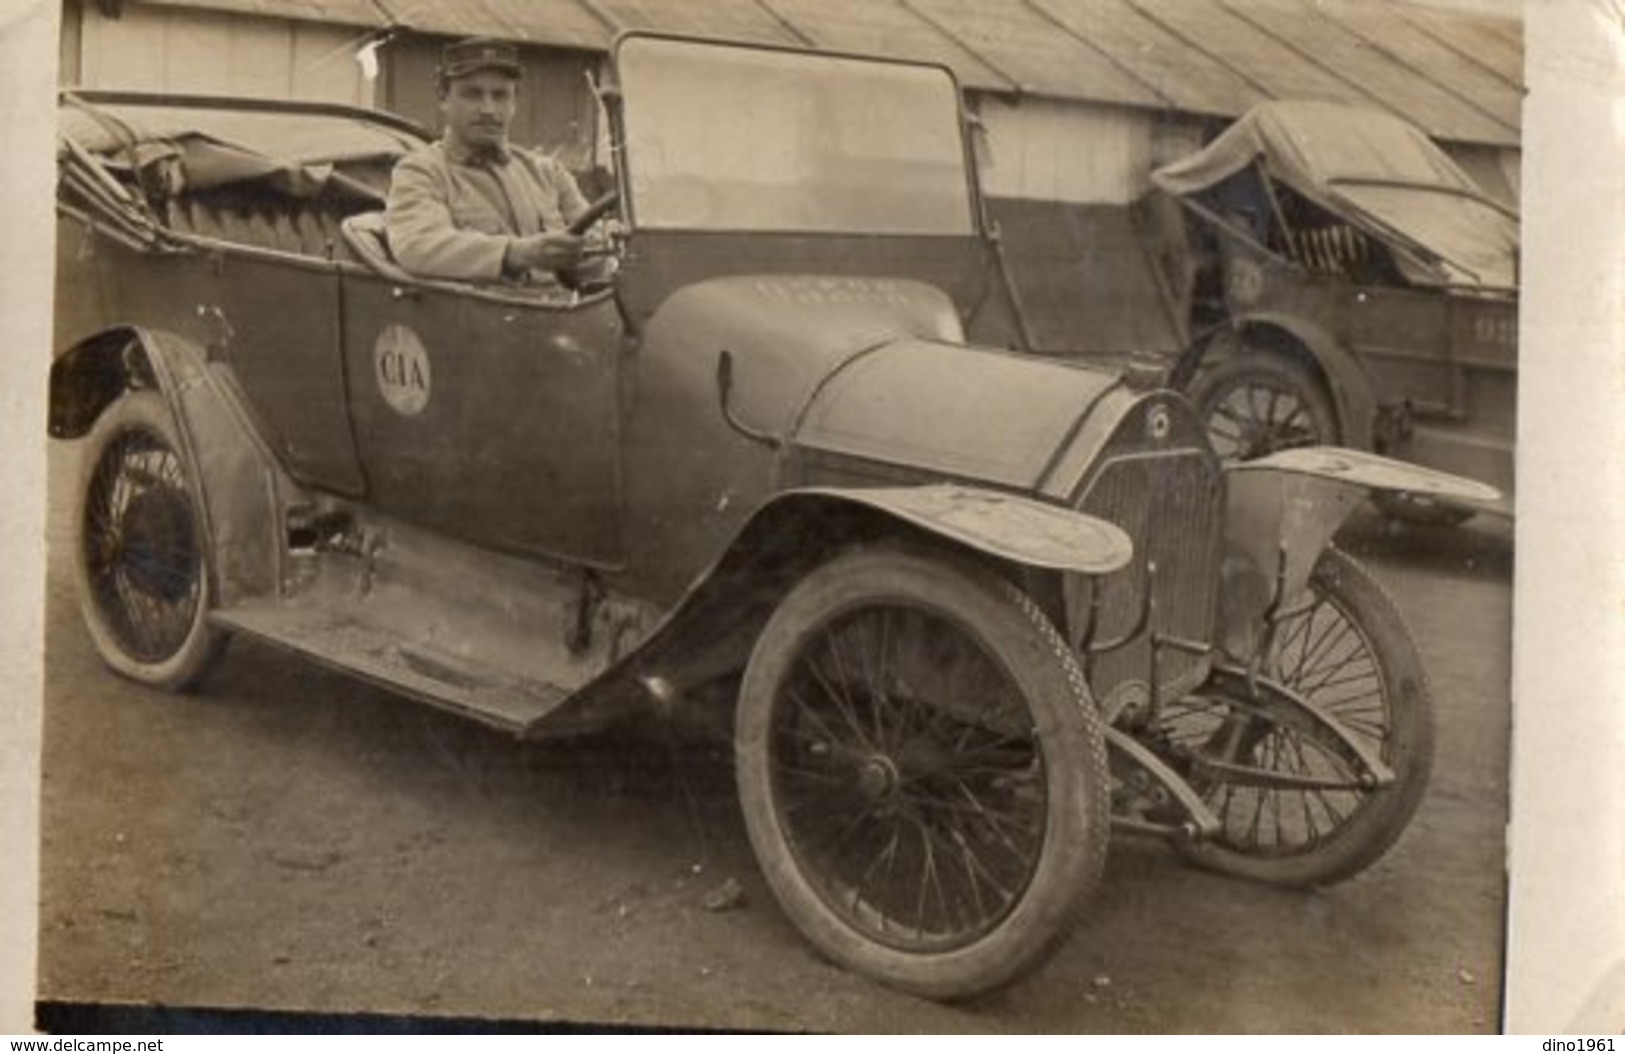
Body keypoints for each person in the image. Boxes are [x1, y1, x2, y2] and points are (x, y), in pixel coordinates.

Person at [386, 37, 591, 283]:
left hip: (564, 314)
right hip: (476, 317)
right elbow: (417, 246)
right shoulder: (421, 171)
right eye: (472, 94)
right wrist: (515, 253)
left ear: (514, 102)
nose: (488, 109)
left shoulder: (549, 173)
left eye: (500, 95)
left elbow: (598, 248)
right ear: (443, 98)